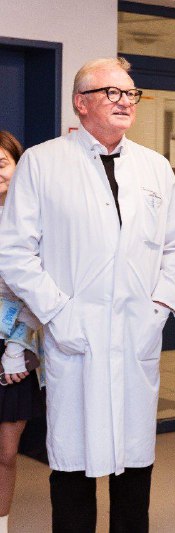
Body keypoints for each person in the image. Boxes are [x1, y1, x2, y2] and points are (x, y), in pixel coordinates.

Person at [0, 57, 175, 532]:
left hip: (135, 336)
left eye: (130, 93)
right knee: (72, 469)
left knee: (135, 470)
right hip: (74, 337)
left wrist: (158, 308)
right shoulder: (43, 163)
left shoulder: (155, 167)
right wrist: (58, 314)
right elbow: (15, 253)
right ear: (80, 103)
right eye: (112, 92)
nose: (125, 101)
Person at [0, 130, 46, 533]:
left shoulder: (38, 217)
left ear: (19, 165)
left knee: (6, 451)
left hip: (15, 343)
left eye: (2, 163)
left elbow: (40, 287)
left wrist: (18, 346)